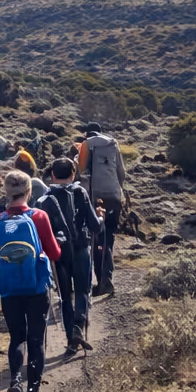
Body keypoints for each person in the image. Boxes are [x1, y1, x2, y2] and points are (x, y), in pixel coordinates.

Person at [0, 170, 61, 392]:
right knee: (36, 340)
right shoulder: (39, 216)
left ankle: (15, 380)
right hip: (37, 287)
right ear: (29, 192)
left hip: (8, 289)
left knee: (17, 337)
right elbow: (54, 252)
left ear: (6, 193)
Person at [43, 157, 100, 354]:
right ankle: (78, 326)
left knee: (65, 297)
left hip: (59, 253)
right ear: (73, 174)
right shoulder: (80, 192)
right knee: (83, 290)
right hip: (81, 247)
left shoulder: (45, 198)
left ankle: (71, 340)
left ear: (52, 175)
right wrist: (101, 217)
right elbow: (94, 225)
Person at [78, 124, 127, 296]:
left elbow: (81, 172)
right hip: (114, 197)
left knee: (97, 240)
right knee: (108, 239)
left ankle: (103, 283)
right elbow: (122, 173)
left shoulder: (86, 144)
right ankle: (107, 278)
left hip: (95, 198)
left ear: (87, 134)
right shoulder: (113, 143)